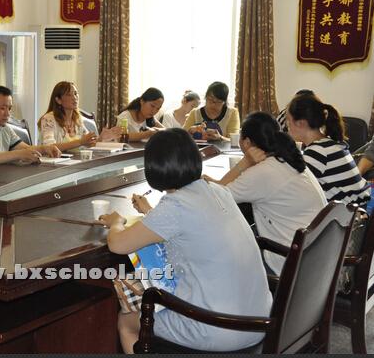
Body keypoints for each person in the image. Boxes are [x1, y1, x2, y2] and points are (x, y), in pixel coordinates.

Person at [99, 129, 271, 353]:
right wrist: (150, 212)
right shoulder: (217, 190)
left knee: (127, 322)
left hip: (218, 328)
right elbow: (189, 228)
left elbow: (117, 244)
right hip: (258, 321)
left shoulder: (175, 205)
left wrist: (116, 222)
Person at [204, 112, 326, 274]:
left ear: (246, 142)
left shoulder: (264, 172)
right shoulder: (285, 159)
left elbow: (215, 199)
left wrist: (245, 162)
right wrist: (216, 183)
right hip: (315, 257)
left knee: (218, 254)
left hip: (289, 264)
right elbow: (224, 190)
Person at [286, 93, 370, 207]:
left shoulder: (317, 153)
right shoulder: (328, 144)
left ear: (301, 123)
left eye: (288, 121)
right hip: (358, 208)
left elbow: (292, 187)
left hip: (349, 214)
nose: (287, 127)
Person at [37, 81, 121, 151]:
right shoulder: (48, 119)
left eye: (75, 93)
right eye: (68, 95)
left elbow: (88, 143)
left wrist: (101, 138)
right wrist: (80, 142)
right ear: (58, 100)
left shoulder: (77, 118)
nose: (74, 97)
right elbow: (49, 147)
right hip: (51, 164)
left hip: (74, 163)